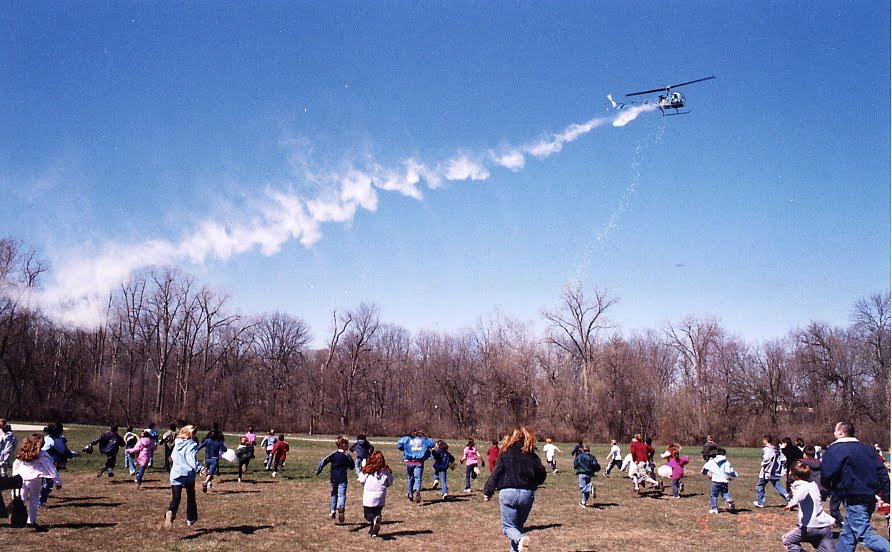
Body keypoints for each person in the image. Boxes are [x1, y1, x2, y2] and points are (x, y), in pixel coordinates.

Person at [821, 421, 890, 552]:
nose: (834, 433)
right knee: (848, 535)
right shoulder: (867, 449)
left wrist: (828, 489)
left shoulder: (835, 449)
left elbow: (827, 473)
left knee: (865, 535)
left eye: (835, 430)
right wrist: (886, 495)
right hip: (870, 496)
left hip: (853, 497)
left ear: (840, 432)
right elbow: (882, 473)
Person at [483, 427, 547, 552]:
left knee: (508, 528)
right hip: (527, 494)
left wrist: (488, 491)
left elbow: (495, 474)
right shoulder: (532, 456)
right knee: (517, 527)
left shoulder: (505, 455)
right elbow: (542, 474)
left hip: (508, 493)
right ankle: (519, 541)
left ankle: (521, 538)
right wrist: (534, 484)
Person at [782, 461, 836, 552]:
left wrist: (792, 503)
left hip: (809, 527)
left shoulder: (802, 485)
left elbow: (801, 493)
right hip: (824, 527)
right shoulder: (813, 485)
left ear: (795, 476)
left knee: (787, 540)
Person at [13, 433, 61, 529]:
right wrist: (58, 481)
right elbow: (50, 468)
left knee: (21, 500)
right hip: (34, 479)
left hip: (21, 478)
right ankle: (31, 521)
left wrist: (14, 477)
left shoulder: (23, 451)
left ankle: (18, 520)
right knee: (34, 500)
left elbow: (15, 464)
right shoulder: (42, 454)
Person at [165, 425, 207, 527]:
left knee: (176, 498)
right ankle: (190, 518)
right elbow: (190, 458)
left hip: (176, 473)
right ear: (191, 434)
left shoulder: (177, 443)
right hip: (187, 474)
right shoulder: (191, 444)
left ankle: (171, 512)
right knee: (190, 495)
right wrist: (200, 469)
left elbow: (173, 457)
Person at [316, 436, 355, 523]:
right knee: (342, 494)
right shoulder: (347, 455)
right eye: (347, 444)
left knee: (334, 494)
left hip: (333, 477)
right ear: (344, 445)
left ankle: (333, 510)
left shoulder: (333, 454)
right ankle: (340, 506)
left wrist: (318, 470)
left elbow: (324, 461)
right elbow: (352, 466)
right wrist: (349, 466)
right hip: (342, 477)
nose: (348, 445)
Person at [358, 450, 394, 538]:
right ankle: (373, 532)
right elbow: (390, 481)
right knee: (377, 513)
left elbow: (361, 480)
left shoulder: (367, 470)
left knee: (368, 515)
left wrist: (363, 467)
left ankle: (374, 520)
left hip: (369, 497)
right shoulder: (386, 470)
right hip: (380, 497)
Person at [396, 430, 436, 503]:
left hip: (409, 461)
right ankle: (417, 489)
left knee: (410, 477)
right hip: (419, 462)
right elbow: (433, 444)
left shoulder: (407, 439)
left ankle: (410, 493)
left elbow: (399, 445)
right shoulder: (424, 440)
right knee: (418, 478)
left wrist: (405, 448)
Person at [754, 434, 789, 508]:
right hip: (775, 472)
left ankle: (760, 502)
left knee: (760, 485)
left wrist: (763, 463)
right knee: (778, 486)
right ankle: (788, 498)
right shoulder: (776, 449)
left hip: (767, 472)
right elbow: (784, 459)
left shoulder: (768, 449)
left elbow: (767, 458)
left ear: (765, 441)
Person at [701, 447, 737, 514]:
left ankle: (714, 508)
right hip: (724, 481)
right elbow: (729, 471)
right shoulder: (726, 462)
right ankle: (728, 499)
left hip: (716, 481)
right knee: (725, 493)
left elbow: (705, 468)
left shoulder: (712, 461)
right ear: (724, 454)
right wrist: (735, 474)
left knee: (714, 495)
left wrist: (704, 472)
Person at [198, 426, 226, 493]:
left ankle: (209, 483)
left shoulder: (207, 441)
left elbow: (199, 447)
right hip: (214, 459)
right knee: (211, 472)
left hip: (207, 459)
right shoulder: (218, 442)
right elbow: (224, 449)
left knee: (208, 471)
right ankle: (205, 482)